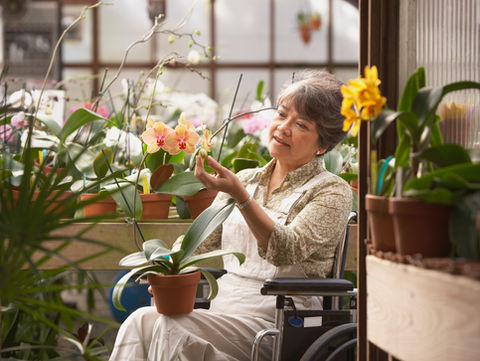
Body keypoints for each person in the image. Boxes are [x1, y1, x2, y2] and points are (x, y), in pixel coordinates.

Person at [109, 70, 353, 361]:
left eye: (300, 124)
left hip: (278, 324)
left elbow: (285, 249)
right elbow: (198, 245)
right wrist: (165, 266)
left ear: (322, 145)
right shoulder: (246, 179)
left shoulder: (331, 191)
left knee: (169, 328)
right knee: (140, 321)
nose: (283, 128)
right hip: (224, 312)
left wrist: (242, 198)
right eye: (281, 114)